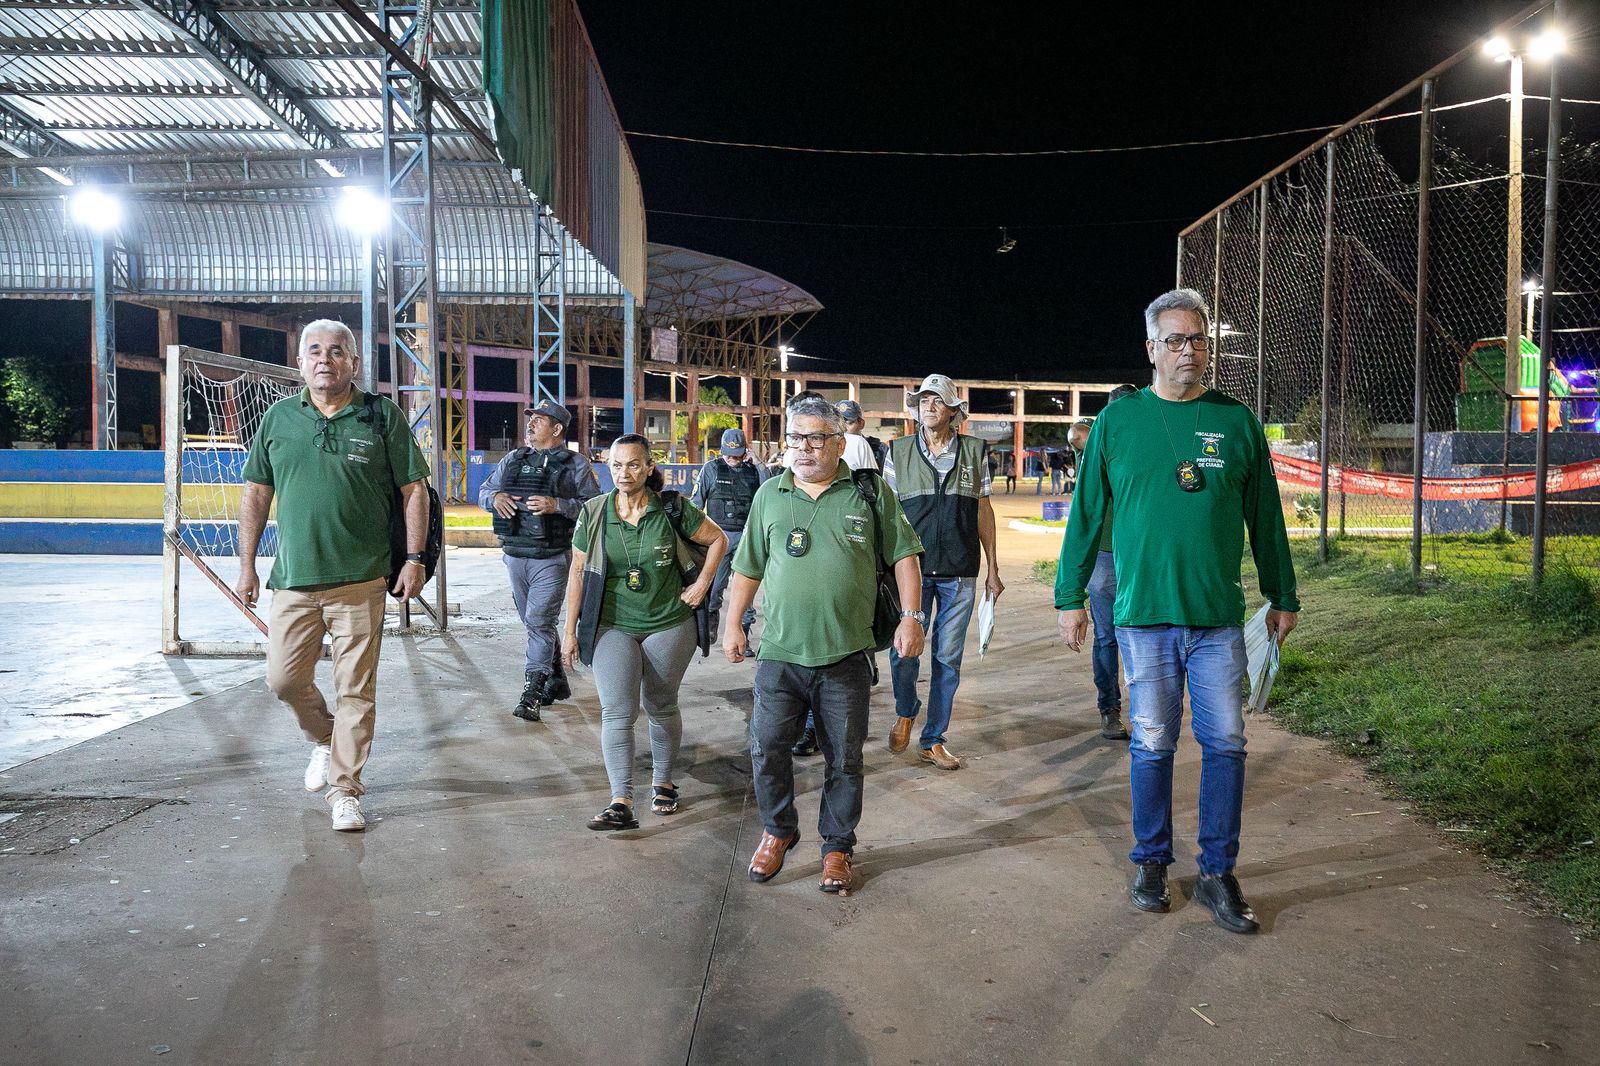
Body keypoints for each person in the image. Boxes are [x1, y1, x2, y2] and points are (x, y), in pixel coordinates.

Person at [1056, 288, 1300, 935]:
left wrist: (1284, 593)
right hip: (1143, 618)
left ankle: (1218, 872)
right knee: (1154, 743)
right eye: (1174, 340)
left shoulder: (1237, 421)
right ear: (1150, 349)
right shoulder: (1118, 423)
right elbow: (1084, 516)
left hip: (1217, 619)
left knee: (1225, 743)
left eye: (1197, 339)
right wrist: (1069, 595)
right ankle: (1151, 863)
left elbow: (1267, 520)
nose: (1188, 350)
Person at [721, 394, 925, 895]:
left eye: (816, 438)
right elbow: (747, 565)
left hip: (845, 654)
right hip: (780, 653)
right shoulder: (770, 493)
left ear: (839, 442)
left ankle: (837, 847)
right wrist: (732, 624)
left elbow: (905, 556)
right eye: (796, 438)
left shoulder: (868, 493)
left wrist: (912, 617)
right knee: (767, 746)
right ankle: (778, 830)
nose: (805, 448)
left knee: (845, 757)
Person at [234, 319, 431, 833]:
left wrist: (414, 558)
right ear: (300, 362)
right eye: (315, 351)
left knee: (356, 690)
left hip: (361, 580)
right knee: (283, 679)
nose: (325, 359)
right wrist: (247, 564)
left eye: (337, 351)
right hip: (293, 580)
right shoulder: (279, 419)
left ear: (354, 362)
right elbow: (257, 493)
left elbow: (414, 490)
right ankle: (323, 739)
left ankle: (346, 790)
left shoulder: (380, 417)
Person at [561, 434, 727, 830]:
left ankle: (663, 782)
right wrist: (569, 631)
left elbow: (718, 539)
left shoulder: (671, 509)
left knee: (660, 703)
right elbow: (578, 572)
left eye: (633, 464)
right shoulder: (594, 512)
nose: (624, 472)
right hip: (611, 624)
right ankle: (621, 799)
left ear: (649, 467)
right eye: (616, 465)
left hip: (669, 621)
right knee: (617, 710)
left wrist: (702, 584)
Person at [882, 373, 1004, 771]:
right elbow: (885, 516)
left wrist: (993, 568)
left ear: (954, 411)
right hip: (910, 573)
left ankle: (933, 739)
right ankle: (905, 709)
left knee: (947, 660)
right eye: (922, 400)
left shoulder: (974, 451)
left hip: (960, 573)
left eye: (937, 400)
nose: (928, 406)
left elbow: (983, 509)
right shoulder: (896, 452)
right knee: (904, 651)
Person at [480, 399, 601, 722]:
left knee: (538, 621)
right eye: (530, 419)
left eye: (539, 420)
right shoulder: (513, 459)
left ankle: (531, 694)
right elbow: (484, 492)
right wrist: (495, 497)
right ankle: (557, 679)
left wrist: (557, 505)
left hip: (552, 557)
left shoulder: (576, 464)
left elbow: (593, 506)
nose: (531, 424)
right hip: (515, 554)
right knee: (536, 623)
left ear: (557, 429)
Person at [1066, 393, 1135, 742]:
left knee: (1144, 635)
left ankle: (1145, 710)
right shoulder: (1094, 443)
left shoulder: (1146, 443)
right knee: (1107, 638)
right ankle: (1110, 709)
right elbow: (1075, 433)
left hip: (1141, 557)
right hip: (1105, 557)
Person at [691, 428, 770, 660]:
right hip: (719, 538)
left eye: (736, 454)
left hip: (747, 537)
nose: (731, 459)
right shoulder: (711, 469)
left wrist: (759, 465)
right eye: (728, 454)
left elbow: (769, 492)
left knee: (745, 591)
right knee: (714, 588)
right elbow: (696, 503)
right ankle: (710, 624)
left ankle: (742, 636)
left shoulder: (754, 471)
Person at [834, 399, 880, 472]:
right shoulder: (826, 445)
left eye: (848, 423)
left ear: (861, 423)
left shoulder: (879, 449)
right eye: (837, 423)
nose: (842, 429)